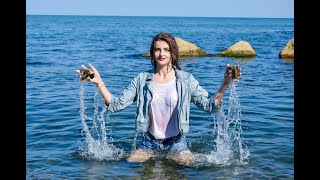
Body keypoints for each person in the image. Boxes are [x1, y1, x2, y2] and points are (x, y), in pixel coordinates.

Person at [76, 32, 241, 165]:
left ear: (173, 52)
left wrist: (225, 85)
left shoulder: (186, 80)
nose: (161, 53)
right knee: (131, 162)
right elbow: (116, 105)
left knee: (188, 166)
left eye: (166, 49)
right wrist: (99, 83)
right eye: (157, 49)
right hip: (148, 142)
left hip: (177, 142)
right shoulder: (142, 80)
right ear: (152, 53)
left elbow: (210, 106)